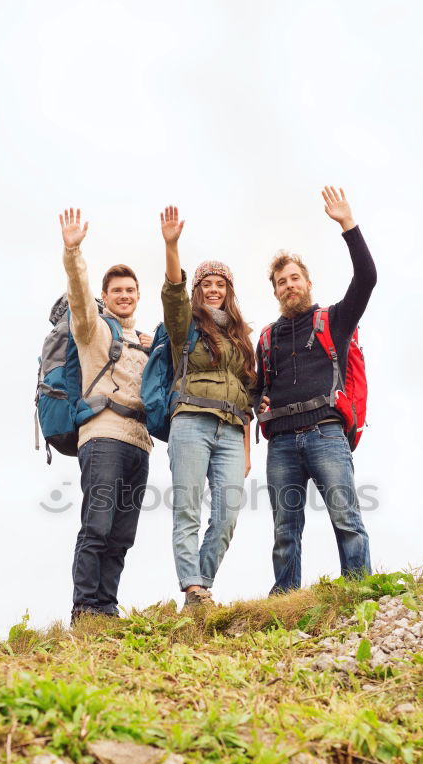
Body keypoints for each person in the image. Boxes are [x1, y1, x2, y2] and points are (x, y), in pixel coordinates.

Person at [255, 186, 377, 593]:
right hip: (283, 442)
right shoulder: (268, 338)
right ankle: (286, 601)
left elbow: (367, 278)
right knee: (284, 532)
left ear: (307, 282)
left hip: (326, 432)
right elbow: (258, 388)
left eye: (294, 278)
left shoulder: (335, 321)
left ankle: (358, 592)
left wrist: (347, 224)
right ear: (275, 291)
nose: (289, 285)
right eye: (281, 281)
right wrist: (259, 401)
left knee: (346, 519)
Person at [59, 208, 153, 624]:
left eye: (130, 290)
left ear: (138, 294)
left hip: (139, 443)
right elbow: (79, 296)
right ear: (106, 296)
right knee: (97, 525)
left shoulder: (147, 341)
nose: (125, 296)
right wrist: (73, 251)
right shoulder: (92, 329)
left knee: (122, 534)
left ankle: (106, 609)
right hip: (102, 437)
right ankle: (84, 608)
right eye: (116, 290)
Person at [159, 205, 256, 607]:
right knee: (187, 510)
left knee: (228, 515)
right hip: (191, 424)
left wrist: (248, 450)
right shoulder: (185, 327)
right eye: (207, 283)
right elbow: (174, 294)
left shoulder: (241, 337)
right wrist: (172, 245)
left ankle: (201, 583)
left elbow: (248, 395)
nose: (214, 288)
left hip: (232, 431)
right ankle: (194, 589)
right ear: (199, 288)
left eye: (221, 283)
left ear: (229, 290)